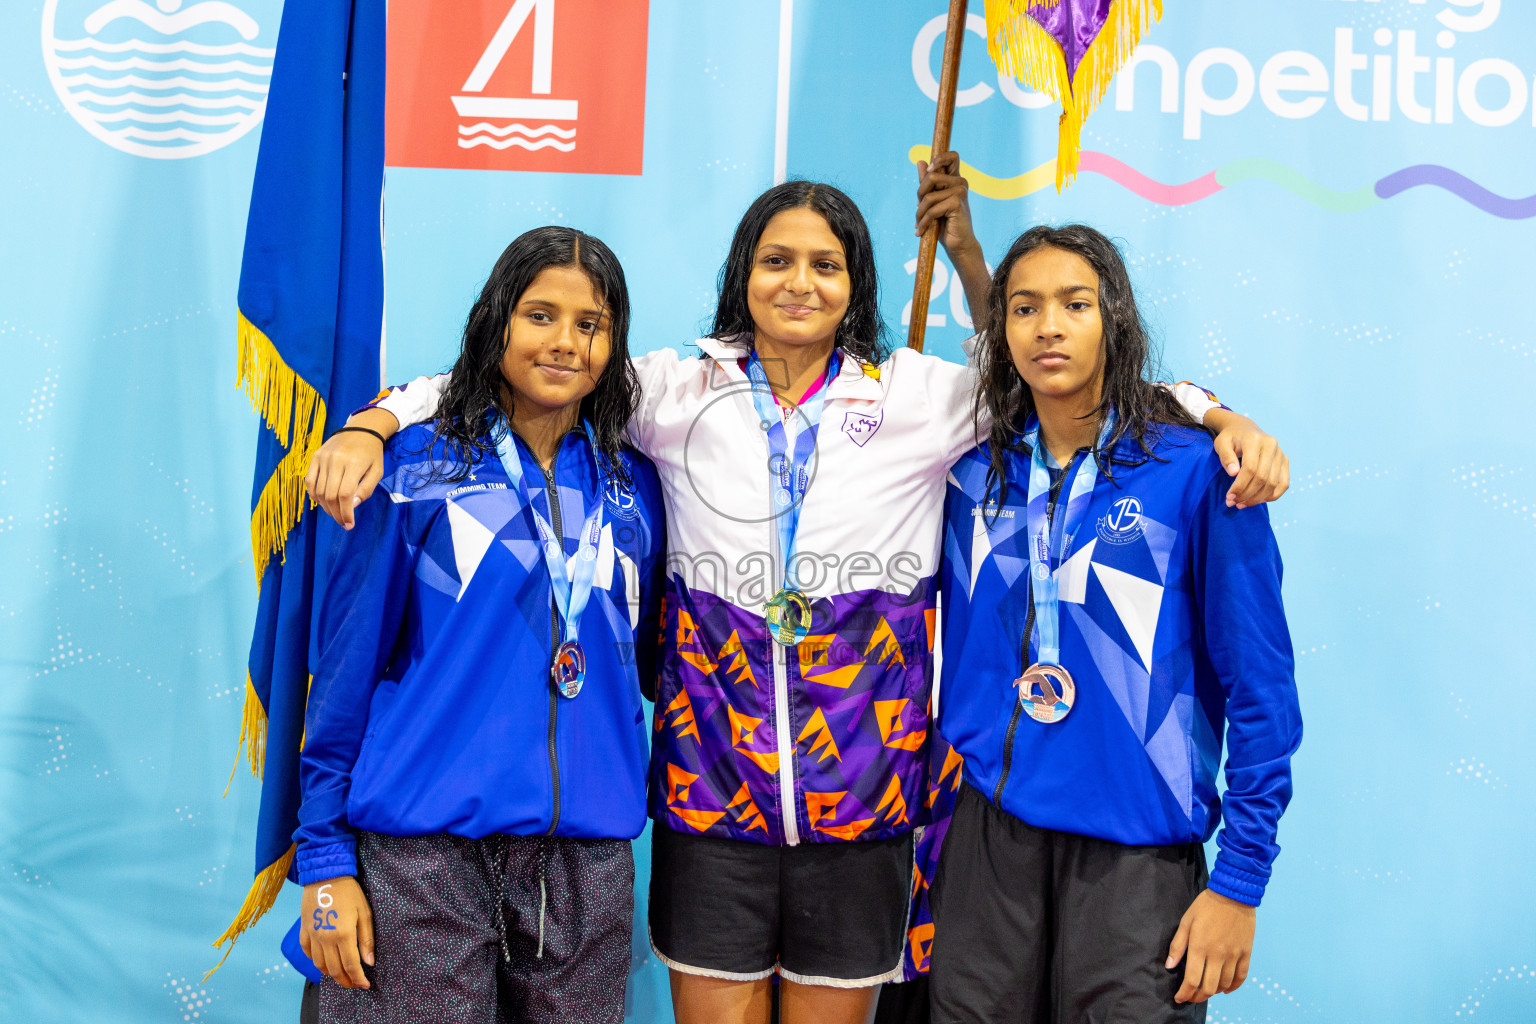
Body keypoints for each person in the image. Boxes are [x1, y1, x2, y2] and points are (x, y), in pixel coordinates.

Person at [304, 175, 1286, 1024]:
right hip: (709, 797)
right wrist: (377, 420)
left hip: (862, 801)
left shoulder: (919, 394)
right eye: (777, 259)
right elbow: (540, 367)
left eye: (826, 262)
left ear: (855, 280)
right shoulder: (674, 385)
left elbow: (1052, 371)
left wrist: (1217, 411)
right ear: (745, 272)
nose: (800, 282)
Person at [926, 223, 1302, 1023]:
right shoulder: (967, 477)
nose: (1049, 326)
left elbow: (1262, 690)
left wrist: (1239, 880)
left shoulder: (1200, 473)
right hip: (989, 851)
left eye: (1075, 304)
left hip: (1137, 862)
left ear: (1115, 321)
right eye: (1024, 308)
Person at [295, 226, 667, 1024]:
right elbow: (344, 673)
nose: (566, 342)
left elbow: (658, 665)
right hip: (423, 858)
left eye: (591, 324)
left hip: (587, 864)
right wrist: (325, 861)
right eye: (541, 315)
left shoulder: (635, 486)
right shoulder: (411, 470)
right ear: (496, 320)